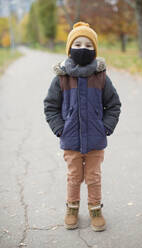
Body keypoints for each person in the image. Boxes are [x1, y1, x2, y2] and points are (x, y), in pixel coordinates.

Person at [43, 21, 122, 232]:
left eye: (88, 45)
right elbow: (50, 106)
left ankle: (95, 209)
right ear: (69, 48)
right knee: (74, 176)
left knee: (94, 177)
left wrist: (104, 127)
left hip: (95, 139)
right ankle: (72, 208)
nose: (83, 48)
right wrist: (60, 128)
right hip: (70, 139)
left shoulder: (101, 77)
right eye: (78, 44)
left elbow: (113, 104)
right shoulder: (61, 78)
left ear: (95, 50)